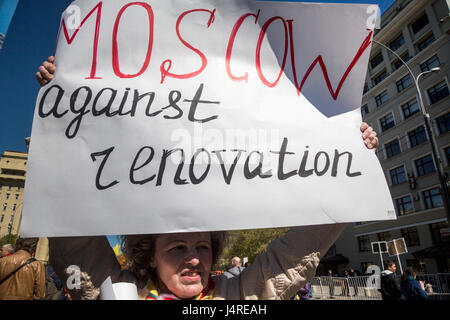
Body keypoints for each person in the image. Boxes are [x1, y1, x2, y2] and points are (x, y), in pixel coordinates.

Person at [37, 57, 380, 300]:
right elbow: (76, 240)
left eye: (203, 246)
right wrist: (61, 102)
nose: (194, 258)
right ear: (149, 254)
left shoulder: (239, 295)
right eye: (177, 247)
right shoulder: (118, 291)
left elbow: (298, 253)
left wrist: (350, 162)